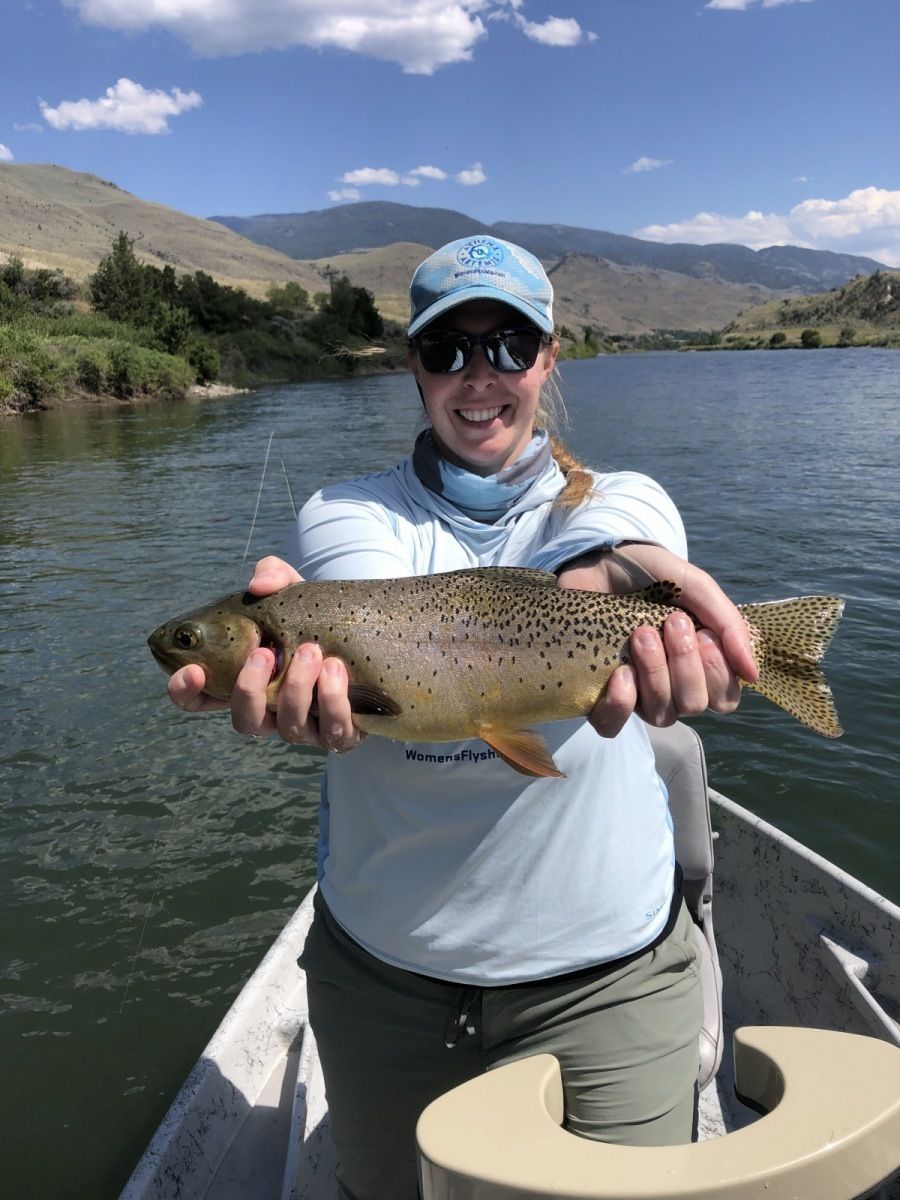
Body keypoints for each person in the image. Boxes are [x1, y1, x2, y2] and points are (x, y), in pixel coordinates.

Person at [168, 235, 758, 1200]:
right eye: (447, 351)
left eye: (508, 347)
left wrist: (614, 577)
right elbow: (379, 616)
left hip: (609, 980)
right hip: (386, 989)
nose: (477, 376)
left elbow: (614, 546)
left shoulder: (619, 497)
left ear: (549, 358)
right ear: (413, 367)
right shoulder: (343, 515)